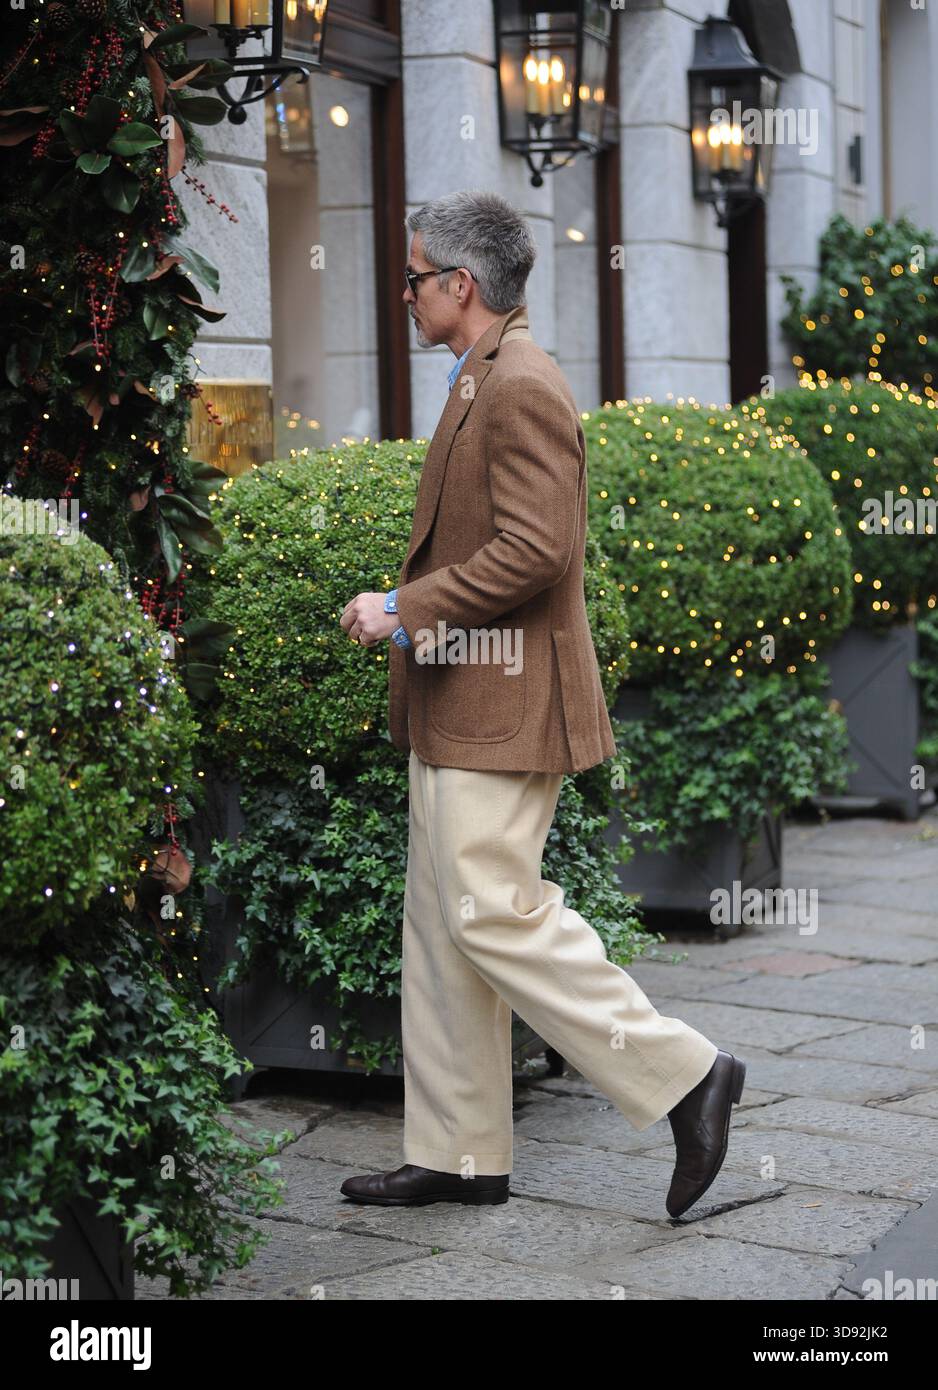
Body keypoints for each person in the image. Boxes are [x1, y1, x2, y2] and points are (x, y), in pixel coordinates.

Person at [338, 189, 745, 1219]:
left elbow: (537, 548)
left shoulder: (518, 381)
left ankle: (687, 1074)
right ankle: (458, 1152)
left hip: (502, 703)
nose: (406, 293)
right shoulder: (482, 373)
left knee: (490, 911)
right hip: (464, 698)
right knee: (440, 928)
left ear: (458, 286)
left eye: (416, 275)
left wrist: (401, 605)